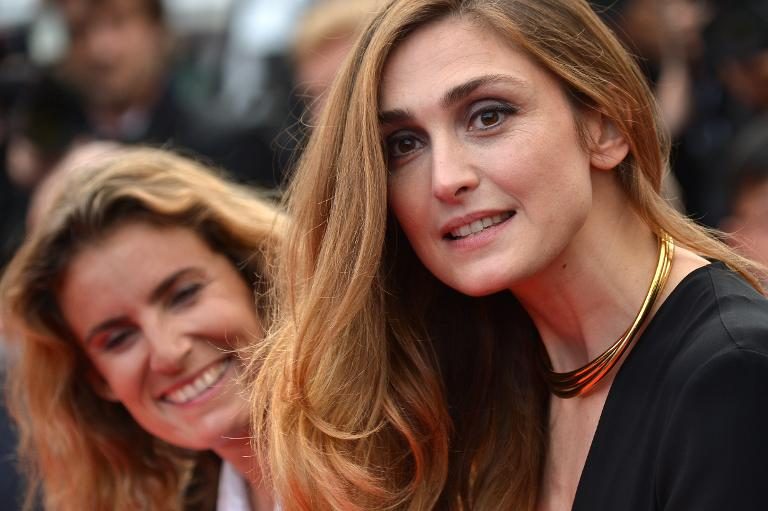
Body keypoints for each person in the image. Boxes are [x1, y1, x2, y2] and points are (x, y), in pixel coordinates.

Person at [250, 1, 768, 510]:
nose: (446, 179)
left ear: (606, 125)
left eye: (488, 116)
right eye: (404, 145)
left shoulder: (734, 375)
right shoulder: (480, 378)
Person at [1, 147, 283, 510]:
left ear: (251, 276)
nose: (167, 353)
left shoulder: (378, 453)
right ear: (97, 379)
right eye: (118, 339)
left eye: (183, 295)